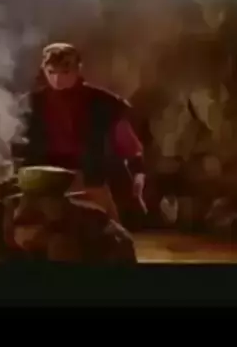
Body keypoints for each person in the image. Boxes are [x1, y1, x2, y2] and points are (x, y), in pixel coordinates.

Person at [18, 42, 146, 222]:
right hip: (42, 183)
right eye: (51, 72)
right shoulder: (32, 103)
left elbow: (128, 143)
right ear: (44, 70)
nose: (57, 79)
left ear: (77, 69)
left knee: (105, 231)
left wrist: (138, 171)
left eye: (65, 72)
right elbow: (16, 140)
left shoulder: (102, 102)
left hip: (88, 182)